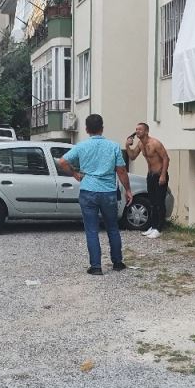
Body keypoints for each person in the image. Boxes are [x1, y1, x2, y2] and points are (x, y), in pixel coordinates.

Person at [58, 114, 133, 275]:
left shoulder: (81, 146)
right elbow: (121, 170)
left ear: (86, 129)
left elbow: (62, 161)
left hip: (88, 191)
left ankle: (96, 266)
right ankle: (118, 262)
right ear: (102, 128)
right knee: (112, 228)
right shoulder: (113, 146)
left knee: (92, 230)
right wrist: (128, 190)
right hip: (108, 192)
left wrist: (75, 174)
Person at [126, 122, 170, 239]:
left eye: (140, 129)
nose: (137, 131)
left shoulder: (155, 143)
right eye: (136, 129)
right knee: (152, 202)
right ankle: (153, 226)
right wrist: (127, 146)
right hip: (150, 175)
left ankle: (159, 228)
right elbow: (132, 156)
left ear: (146, 131)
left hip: (159, 174)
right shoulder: (141, 144)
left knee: (160, 202)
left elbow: (166, 158)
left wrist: (163, 175)